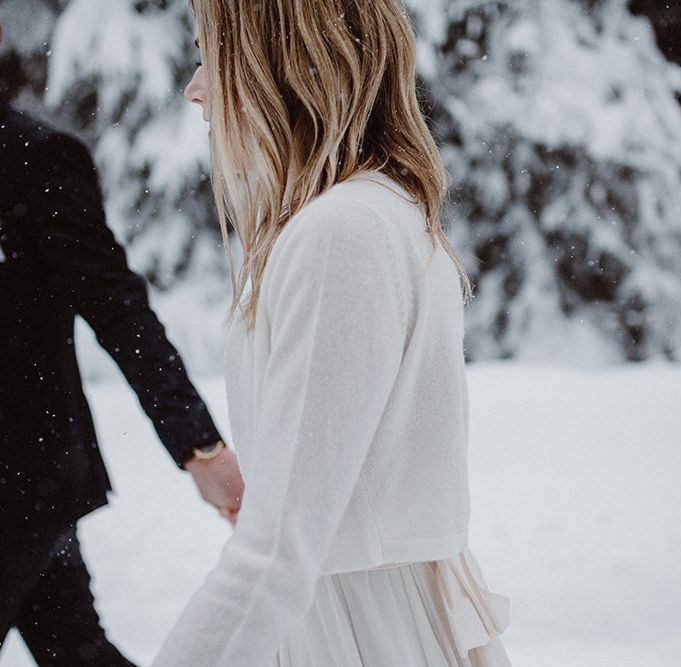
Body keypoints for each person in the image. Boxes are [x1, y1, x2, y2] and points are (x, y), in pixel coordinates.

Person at [154, 1, 510, 665]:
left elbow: (278, 551)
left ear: (274, 65)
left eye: (210, 54)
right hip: (365, 616)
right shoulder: (370, 212)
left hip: (356, 632)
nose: (194, 87)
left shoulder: (340, 233)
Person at [0, 20, 244, 667]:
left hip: (20, 486)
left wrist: (198, 444)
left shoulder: (31, 159)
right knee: (75, 649)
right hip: (28, 493)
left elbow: (117, 307)